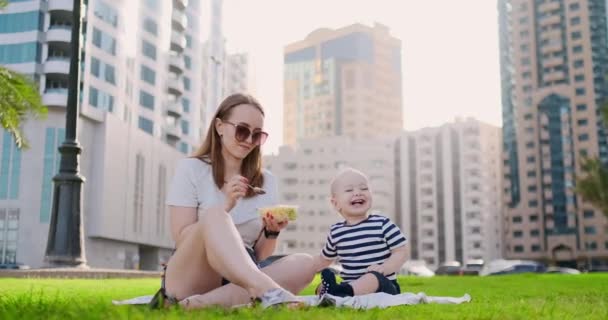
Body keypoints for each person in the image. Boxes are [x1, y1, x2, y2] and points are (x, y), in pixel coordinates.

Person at [154, 93, 315, 309]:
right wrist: (225, 206)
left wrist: (271, 232)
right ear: (220, 127)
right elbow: (182, 238)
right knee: (215, 214)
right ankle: (269, 292)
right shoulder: (191, 169)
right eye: (242, 130)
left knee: (305, 263)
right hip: (193, 273)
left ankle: (199, 305)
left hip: (240, 278)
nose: (249, 140)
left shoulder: (267, 181)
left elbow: (259, 254)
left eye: (257, 135)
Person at [313, 168, 408, 297]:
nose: (358, 193)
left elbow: (401, 251)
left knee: (371, 277)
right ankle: (333, 292)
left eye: (364, 189)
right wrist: (306, 267)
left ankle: (340, 293)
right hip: (351, 284)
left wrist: (385, 268)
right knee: (321, 286)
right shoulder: (336, 231)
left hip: (383, 286)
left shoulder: (382, 224)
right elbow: (323, 260)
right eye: (349, 190)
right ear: (335, 204)